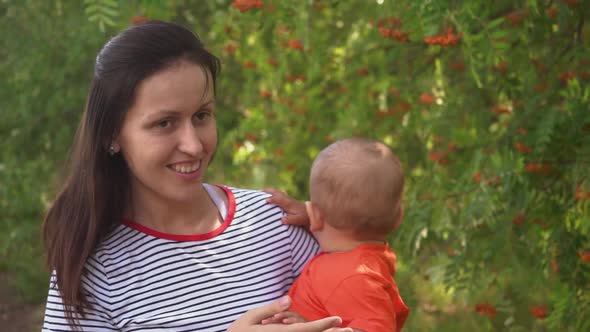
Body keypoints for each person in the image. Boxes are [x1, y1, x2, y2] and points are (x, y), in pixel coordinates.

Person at [41, 20, 352, 332]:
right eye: (165, 123)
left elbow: (368, 304)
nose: (193, 145)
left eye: (202, 116)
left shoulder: (277, 224)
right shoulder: (95, 270)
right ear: (112, 134)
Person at [265, 138, 410, 331]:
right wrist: (309, 217)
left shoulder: (355, 278)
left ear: (317, 216)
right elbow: (341, 232)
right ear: (399, 217)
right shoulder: (364, 260)